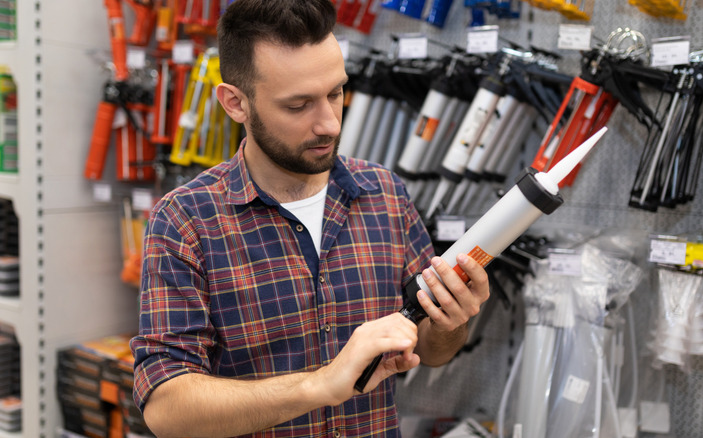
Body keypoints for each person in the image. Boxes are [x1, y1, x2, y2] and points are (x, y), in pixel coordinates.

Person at [130, 0, 490, 436]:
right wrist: (321, 385)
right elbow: (166, 408)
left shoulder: (385, 195)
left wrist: (451, 321)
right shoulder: (186, 220)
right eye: (298, 105)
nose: (330, 124)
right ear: (235, 104)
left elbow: (433, 351)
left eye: (336, 93)